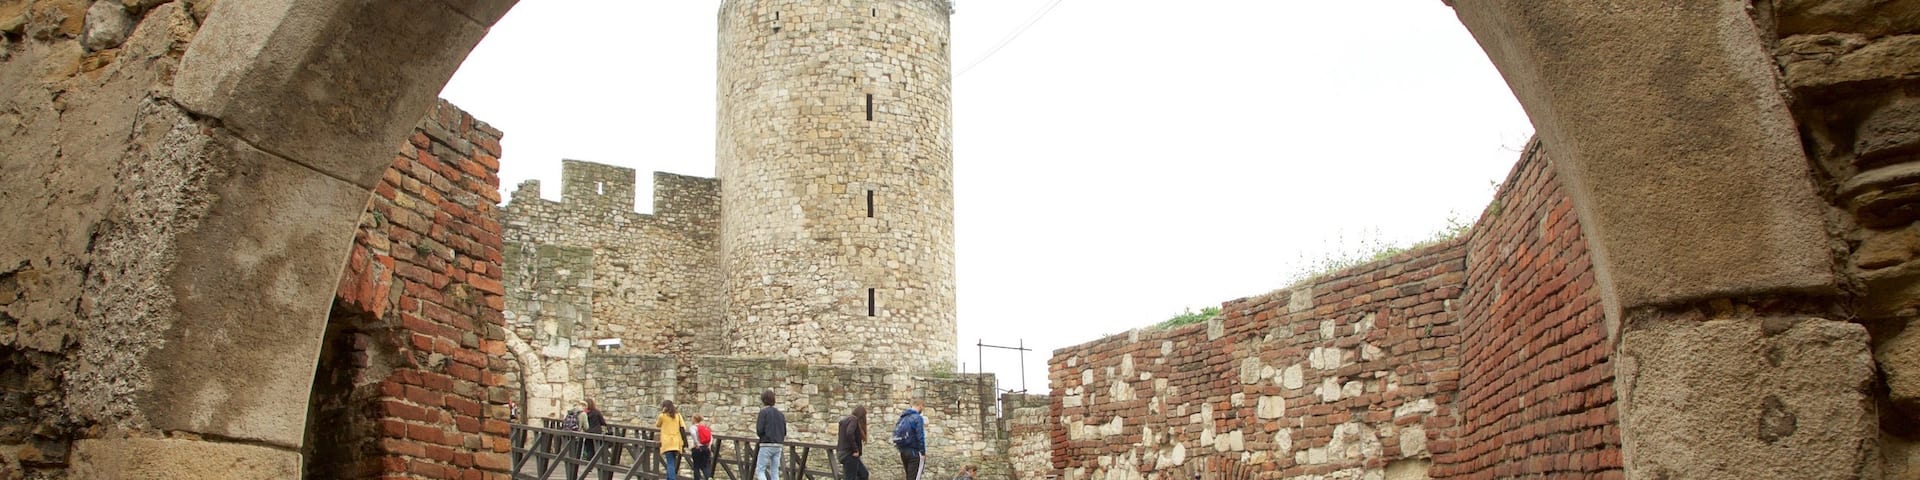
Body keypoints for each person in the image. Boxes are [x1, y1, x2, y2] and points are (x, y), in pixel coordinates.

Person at [755, 389, 787, 480]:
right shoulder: (781, 414)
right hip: (778, 445)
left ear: (764, 400)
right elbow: (784, 431)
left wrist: (763, 436)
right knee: (775, 471)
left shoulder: (763, 412)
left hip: (766, 444)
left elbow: (759, 430)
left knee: (760, 470)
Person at [892, 400, 927, 480]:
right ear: (920, 405)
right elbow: (920, 436)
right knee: (914, 477)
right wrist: (923, 452)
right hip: (914, 452)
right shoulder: (917, 418)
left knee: (909, 476)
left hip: (903, 451)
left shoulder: (903, 417)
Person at [657, 400, 691, 480]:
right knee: (672, 461)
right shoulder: (678, 415)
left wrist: (662, 412)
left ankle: (672, 478)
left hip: (667, 441)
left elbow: (658, 424)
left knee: (670, 462)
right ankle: (669, 478)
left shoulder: (662, 416)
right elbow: (682, 428)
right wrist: (685, 442)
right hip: (676, 441)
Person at [837, 406, 870, 480]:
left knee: (864, 474)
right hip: (849, 454)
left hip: (843, 453)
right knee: (851, 478)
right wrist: (855, 450)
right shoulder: (854, 419)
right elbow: (849, 433)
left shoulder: (846, 420)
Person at [690, 415, 716, 480]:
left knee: (696, 466)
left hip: (697, 448)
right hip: (706, 448)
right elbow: (711, 437)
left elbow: (693, 434)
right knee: (705, 466)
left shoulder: (693, 427)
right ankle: (709, 478)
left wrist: (696, 443)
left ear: (694, 419)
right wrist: (709, 445)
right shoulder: (704, 427)